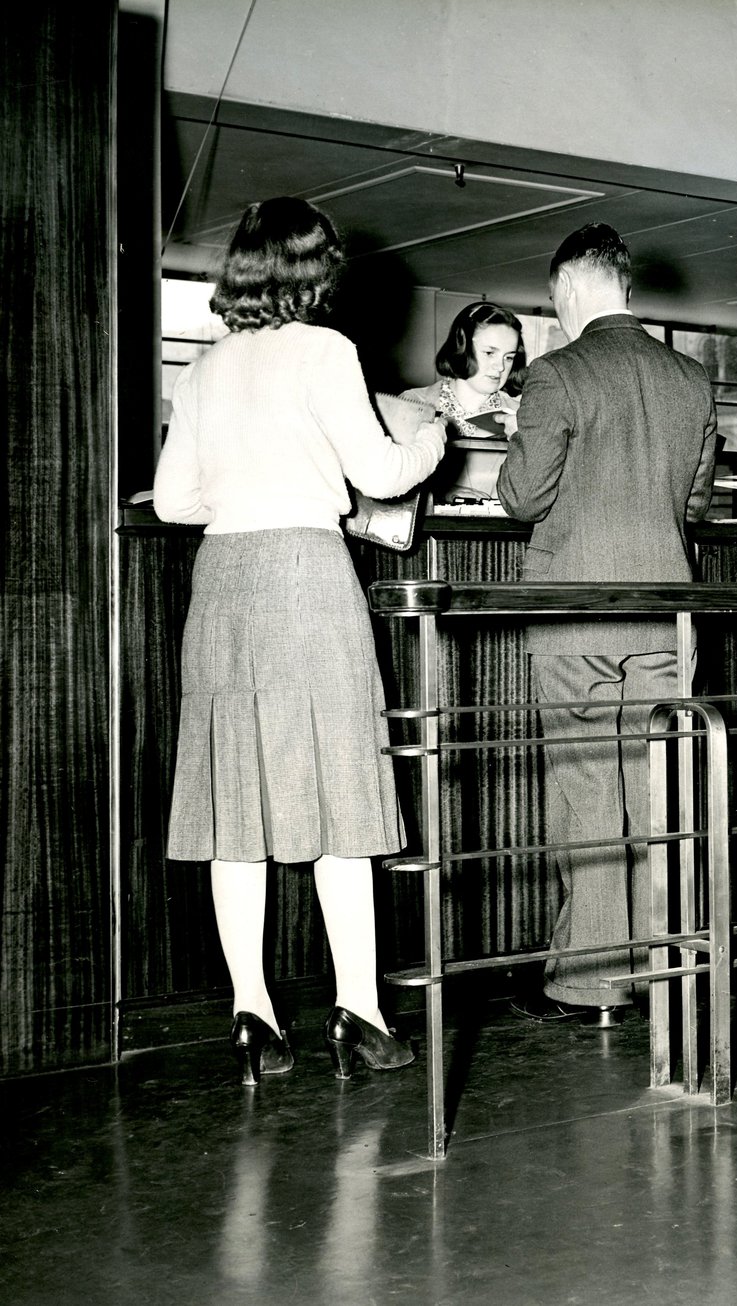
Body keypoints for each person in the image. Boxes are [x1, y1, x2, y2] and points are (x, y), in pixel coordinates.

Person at [153, 196, 446, 1085]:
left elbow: (172, 503)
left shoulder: (204, 371)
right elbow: (380, 472)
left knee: (232, 808)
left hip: (224, 584)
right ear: (315, 271)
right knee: (337, 796)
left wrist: (245, 499)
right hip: (308, 579)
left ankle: (253, 1017)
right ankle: (358, 1011)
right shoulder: (326, 351)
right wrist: (434, 437)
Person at [496, 222, 718, 1021]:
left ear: (570, 289)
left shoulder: (558, 372)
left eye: (554, 297)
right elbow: (694, 503)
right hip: (666, 613)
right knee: (661, 793)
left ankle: (592, 982)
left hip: (575, 613)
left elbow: (521, 498)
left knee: (588, 793)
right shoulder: (691, 380)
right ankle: (669, 971)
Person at [402, 301, 525, 504]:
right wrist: (444, 493)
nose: (500, 367)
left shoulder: (522, 415)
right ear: (462, 347)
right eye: (489, 353)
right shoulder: (411, 403)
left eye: (509, 357)